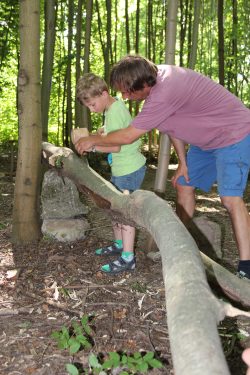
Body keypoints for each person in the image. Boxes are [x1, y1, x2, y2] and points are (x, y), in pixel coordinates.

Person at [74, 55, 250, 279]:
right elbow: (172, 126)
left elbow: (128, 137)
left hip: (234, 134)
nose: (125, 97)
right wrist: (183, 164)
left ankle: (246, 266)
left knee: (230, 198)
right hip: (205, 141)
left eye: (128, 91)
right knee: (184, 184)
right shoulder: (157, 84)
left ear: (144, 84)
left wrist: (93, 140)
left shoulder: (165, 90)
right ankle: (179, 244)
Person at [75, 73, 146, 274]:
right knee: (114, 209)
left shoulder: (114, 110)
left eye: (92, 104)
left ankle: (128, 257)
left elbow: (115, 147)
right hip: (122, 168)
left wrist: (93, 146)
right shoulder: (113, 108)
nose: (91, 109)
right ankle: (119, 244)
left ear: (104, 93)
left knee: (124, 213)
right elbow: (115, 132)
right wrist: (102, 133)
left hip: (129, 170)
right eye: (88, 106)